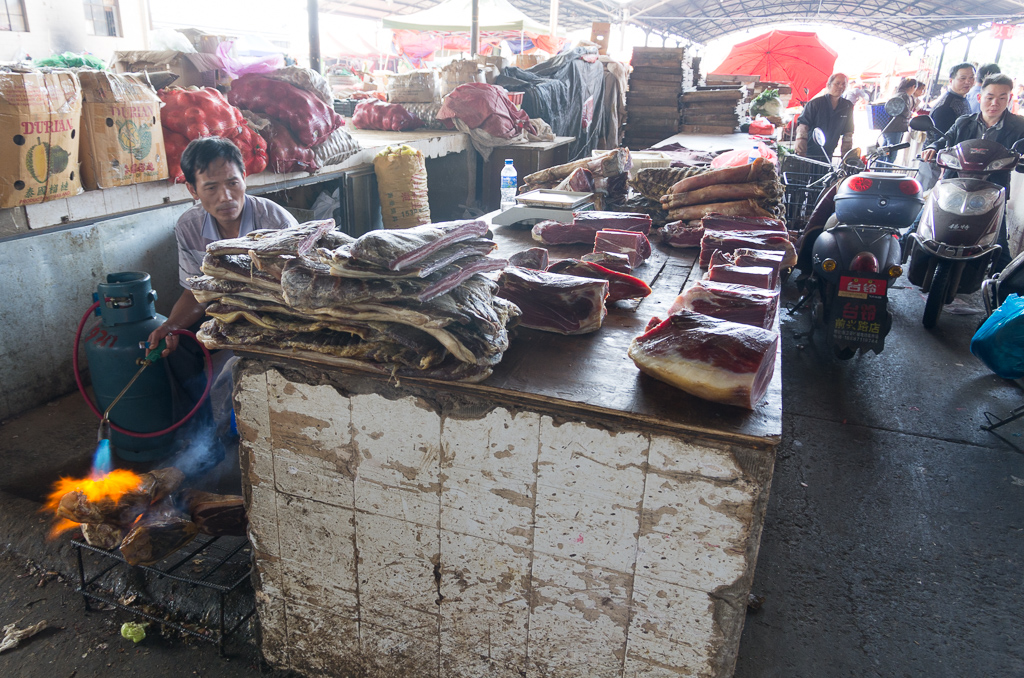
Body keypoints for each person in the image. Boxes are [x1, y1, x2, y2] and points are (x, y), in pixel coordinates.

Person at [146, 137, 298, 356]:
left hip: (279, 313)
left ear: (244, 179)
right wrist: (170, 326)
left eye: (232, 183)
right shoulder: (189, 227)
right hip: (227, 313)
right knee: (178, 349)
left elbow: (295, 291)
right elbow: (196, 291)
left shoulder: (276, 223)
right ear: (192, 190)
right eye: (211, 187)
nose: (225, 197)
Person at [923, 73, 1024, 272]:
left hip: (993, 191)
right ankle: (898, 262)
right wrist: (933, 147)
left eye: (1002, 97)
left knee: (1000, 243)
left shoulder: (1019, 126)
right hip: (954, 185)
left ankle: (1001, 291)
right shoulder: (964, 122)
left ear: (1009, 99)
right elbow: (946, 140)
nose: (995, 103)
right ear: (980, 97)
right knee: (922, 224)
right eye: (990, 97)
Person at [793, 73, 854, 163]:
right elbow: (803, 127)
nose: (841, 86)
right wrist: (801, 150)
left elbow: (848, 131)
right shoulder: (815, 104)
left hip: (829, 151)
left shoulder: (847, 106)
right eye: (837, 83)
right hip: (810, 152)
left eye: (844, 84)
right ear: (828, 85)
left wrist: (846, 155)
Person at [930, 63, 976, 135]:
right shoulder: (946, 107)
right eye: (963, 78)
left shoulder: (963, 98)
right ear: (951, 81)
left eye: (971, 77)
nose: (968, 82)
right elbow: (942, 141)